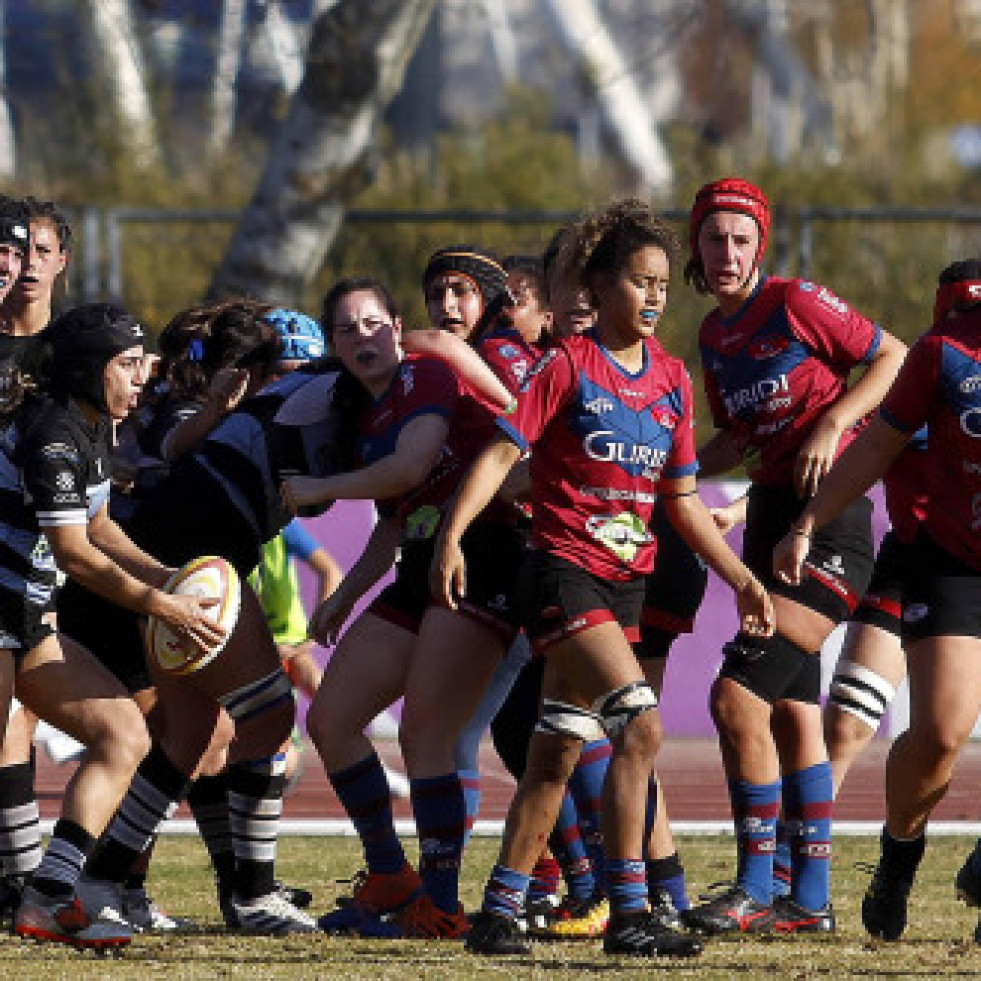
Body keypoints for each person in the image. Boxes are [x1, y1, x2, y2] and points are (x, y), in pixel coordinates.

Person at [431, 198, 773, 959]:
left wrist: (739, 577)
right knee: (641, 726)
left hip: (626, 583)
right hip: (560, 573)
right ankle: (629, 911)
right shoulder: (566, 365)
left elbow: (680, 501)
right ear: (601, 285)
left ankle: (496, 912)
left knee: (554, 749)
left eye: (661, 283)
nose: (653, 296)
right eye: (638, 281)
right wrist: (451, 534)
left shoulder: (674, 380)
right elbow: (498, 455)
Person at [681, 177, 906, 936]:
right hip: (770, 521)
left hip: (832, 521)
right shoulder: (714, 336)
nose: (727, 252)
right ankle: (806, 899)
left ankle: (751, 883)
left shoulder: (797, 300)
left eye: (740, 238)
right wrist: (667, 467)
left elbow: (894, 359)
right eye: (713, 237)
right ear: (694, 246)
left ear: (761, 244)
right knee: (787, 715)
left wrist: (833, 420)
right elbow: (736, 439)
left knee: (732, 696)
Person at [283, 276, 525, 941]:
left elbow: (412, 468)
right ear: (334, 343)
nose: (362, 337)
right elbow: (394, 518)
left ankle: (441, 907)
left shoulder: (424, 373)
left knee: (427, 735)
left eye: (372, 323)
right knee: (331, 720)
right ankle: (390, 873)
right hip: (421, 567)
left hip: (486, 556)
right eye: (345, 328)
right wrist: (344, 591)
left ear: (396, 326)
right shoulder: (360, 413)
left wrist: (318, 486)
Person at [0, 303, 226, 950]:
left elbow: (100, 528)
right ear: (84, 369)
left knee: (123, 734)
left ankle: (46, 896)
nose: (141, 378)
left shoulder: (95, 425)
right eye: (127, 365)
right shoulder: (52, 432)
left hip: (24, 619)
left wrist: (165, 577)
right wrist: (164, 606)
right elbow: (73, 552)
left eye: (143, 363)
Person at [773, 258, 981, 943]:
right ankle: (898, 851)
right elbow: (872, 448)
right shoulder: (940, 354)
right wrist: (806, 520)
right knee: (939, 736)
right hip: (948, 561)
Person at [0, 196, 71, 915]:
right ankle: (23, 881)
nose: (18, 263)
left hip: (67, 559)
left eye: (30, 249)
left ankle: (118, 881)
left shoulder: (71, 353)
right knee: (9, 719)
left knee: (134, 717)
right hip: (5, 567)